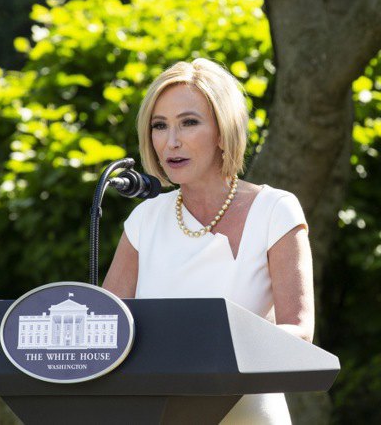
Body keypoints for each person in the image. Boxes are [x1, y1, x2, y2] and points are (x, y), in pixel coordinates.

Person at [103, 58, 314, 424]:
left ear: (222, 131)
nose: (171, 141)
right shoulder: (144, 220)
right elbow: (106, 329)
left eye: (189, 122)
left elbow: (299, 332)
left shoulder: (275, 210)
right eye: (159, 126)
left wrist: (209, 346)